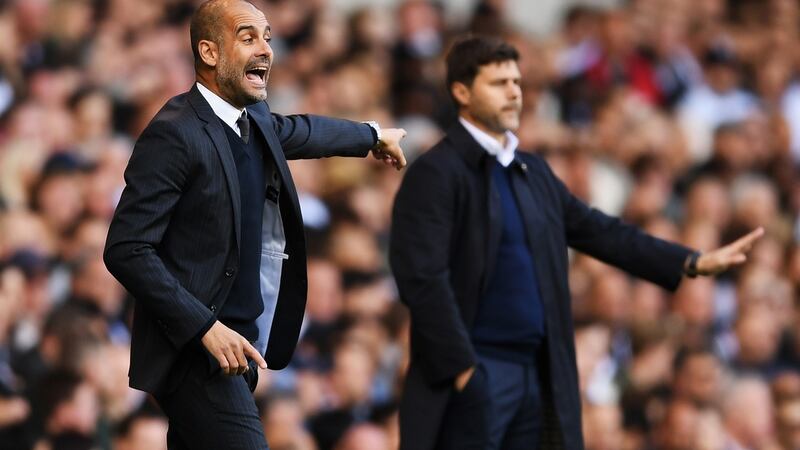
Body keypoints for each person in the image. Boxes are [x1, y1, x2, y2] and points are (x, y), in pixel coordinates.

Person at [389, 35, 762, 450]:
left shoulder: (533, 171)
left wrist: (690, 261)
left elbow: (600, 231)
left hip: (539, 371)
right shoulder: (436, 173)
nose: (514, 92)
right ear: (461, 91)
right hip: (476, 372)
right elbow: (422, 279)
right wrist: (463, 371)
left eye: (517, 82)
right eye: (499, 83)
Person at [103, 0, 406, 448]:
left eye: (267, 36)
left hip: (238, 351)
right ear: (209, 53)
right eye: (248, 37)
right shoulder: (175, 132)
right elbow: (126, 248)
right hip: (194, 352)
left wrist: (371, 135)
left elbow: (301, 131)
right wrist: (204, 327)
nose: (266, 48)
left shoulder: (252, 120)